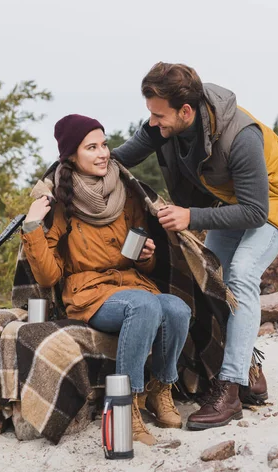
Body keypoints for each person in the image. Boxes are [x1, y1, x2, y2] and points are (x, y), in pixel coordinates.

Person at [112, 62, 278, 430]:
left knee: (241, 275)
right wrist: (67, 165)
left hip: (275, 201)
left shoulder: (241, 136)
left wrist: (191, 217)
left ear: (185, 111)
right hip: (234, 200)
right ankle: (251, 371)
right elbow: (118, 158)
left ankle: (231, 390)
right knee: (210, 277)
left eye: (158, 115)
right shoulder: (164, 124)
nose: (152, 122)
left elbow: (254, 211)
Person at [21, 114, 191, 446]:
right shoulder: (61, 202)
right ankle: (124, 406)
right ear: (72, 156)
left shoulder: (125, 191)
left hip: (129, 282)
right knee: (144, 306)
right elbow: (48, 275)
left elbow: (138, 256)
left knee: (177, 308)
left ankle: (159, 389)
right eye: (91, 147)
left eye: (104, 144)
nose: (103, 154)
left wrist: (147, 256)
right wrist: (31, 227)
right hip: (88, 293)